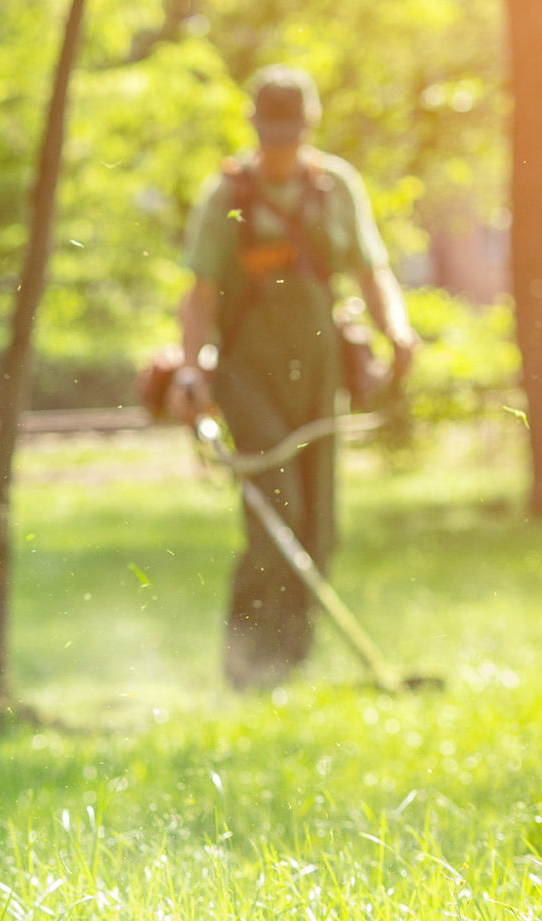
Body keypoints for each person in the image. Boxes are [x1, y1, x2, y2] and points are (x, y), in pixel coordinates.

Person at [171, 66, 416, 691]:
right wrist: (194, 367)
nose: (280, 146)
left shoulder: (336, 187)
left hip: (318, 370)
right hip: (247, 373)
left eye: (291, 132)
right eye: (270, 133)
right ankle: (248, 663)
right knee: (278, 507)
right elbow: (198, 296)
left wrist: (398, 330)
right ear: (255, 128)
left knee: (319, 525)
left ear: (309, 127)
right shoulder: (226, 195)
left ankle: (292, 660)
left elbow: (372, 272)